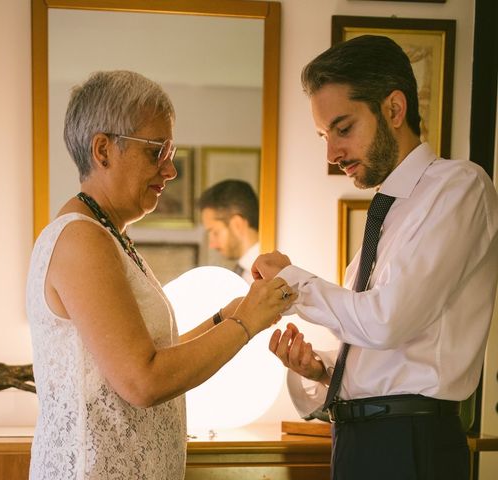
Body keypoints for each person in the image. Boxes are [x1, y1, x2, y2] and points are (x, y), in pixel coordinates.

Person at [26, 70, 294, 480]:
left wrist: (228, 314)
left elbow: (149, 355)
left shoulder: (108, 236)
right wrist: (246, 322)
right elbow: (143, 380)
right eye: (157, 152)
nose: (170, 171)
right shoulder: (82, 239)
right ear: (102, 151)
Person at [252, 35, 498, 480]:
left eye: (343, 129)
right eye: (325, 136)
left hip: (410, 444)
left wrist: (291, 281)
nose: (331, 154)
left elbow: (387, 320)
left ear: (394, 109)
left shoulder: (459, 187)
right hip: (360, 443)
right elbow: (389, 349)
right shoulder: (385, 215)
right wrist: (323, 368)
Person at [198, 179, 260, 283]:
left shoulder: (269, 274)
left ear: (237, 224)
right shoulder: (243, 272)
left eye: (215, 232)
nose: (212, 245)